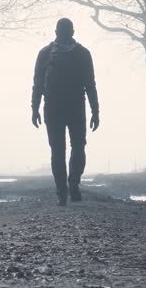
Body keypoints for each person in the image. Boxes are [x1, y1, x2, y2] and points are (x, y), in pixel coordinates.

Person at [31, 18, 99, 206]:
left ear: (55, 31)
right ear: (73, 32)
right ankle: (70, 186)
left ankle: (64, 190)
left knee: (59, 150)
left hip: (55, 109)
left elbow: (37, 85)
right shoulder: (82, 53)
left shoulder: (45, 53)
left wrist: (35, 108)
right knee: (76, 147)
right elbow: (90, 85)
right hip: (73, 107)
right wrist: (95, 110)